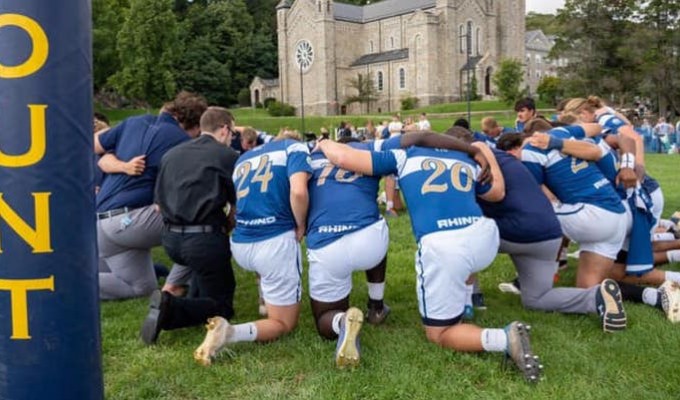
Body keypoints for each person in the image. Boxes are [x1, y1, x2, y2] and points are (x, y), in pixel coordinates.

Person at [312, 135, 544, 384]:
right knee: (463, 259)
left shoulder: (402, 155)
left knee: (440, 333)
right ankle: (465, 301)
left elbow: (344, 157)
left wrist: (324, 143)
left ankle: (503, 337)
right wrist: (483, 154)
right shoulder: (463, 156)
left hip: (444, 245)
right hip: (484, 237)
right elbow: (497, 193)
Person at [193, 130, 312, 366]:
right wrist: (301, 224)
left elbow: (235, 204)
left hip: (242, 241)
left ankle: (265, 299)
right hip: (274, 241)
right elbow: (298, 191)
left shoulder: (244, 157)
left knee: (266, 272)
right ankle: (230, 332)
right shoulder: (295, 148)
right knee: (284, 324)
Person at [140, 106, 239, 345]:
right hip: (204, 239)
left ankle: (179, 302)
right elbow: (238, 203)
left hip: (171, 239)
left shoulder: (171, 155)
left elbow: (158, 206)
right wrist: (227, 225)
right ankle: (169, 309)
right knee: (222, 307)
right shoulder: (227, 157)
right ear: (225, 129)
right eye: (233, 132)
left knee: (202, 282)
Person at [94, 91, 207, 300]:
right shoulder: (182, 143)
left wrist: (119, 164)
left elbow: (93, 145)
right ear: (196, 126)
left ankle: (69, 283)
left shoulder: (133, 122)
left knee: (143, 287)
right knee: (203, 223)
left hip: (102, 223)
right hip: (129, 220)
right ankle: (174, 286)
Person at [306, 136, 391, 368]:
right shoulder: (367, 154)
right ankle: (376, 306)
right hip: (369, 240)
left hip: (326, 244)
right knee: (377, 224)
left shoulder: (310, 157)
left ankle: (342, 321)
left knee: (324, 318)